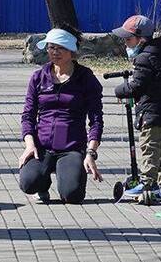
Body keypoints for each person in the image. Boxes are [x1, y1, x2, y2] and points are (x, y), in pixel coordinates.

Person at [19, 27, 104, 204]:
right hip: (42, 146)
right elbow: (28, 115)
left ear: (72, 51)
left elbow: (96, 120)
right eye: (51, 47)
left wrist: (90, 153)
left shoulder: (85, 78)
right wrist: (29, 145)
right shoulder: (38, 77)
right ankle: (42, 183)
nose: (54, 52)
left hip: (71, 148)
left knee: (72, 195)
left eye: (60, 48)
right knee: (28, 183)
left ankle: (68, 174)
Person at [112, 15, 161, 203]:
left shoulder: (144, 58)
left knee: (149, 148)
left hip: (152, 113)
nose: (125, 43)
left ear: (141, 39)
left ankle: (147, 183)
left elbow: (137, 86)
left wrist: (119, 90)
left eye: (128, 39)